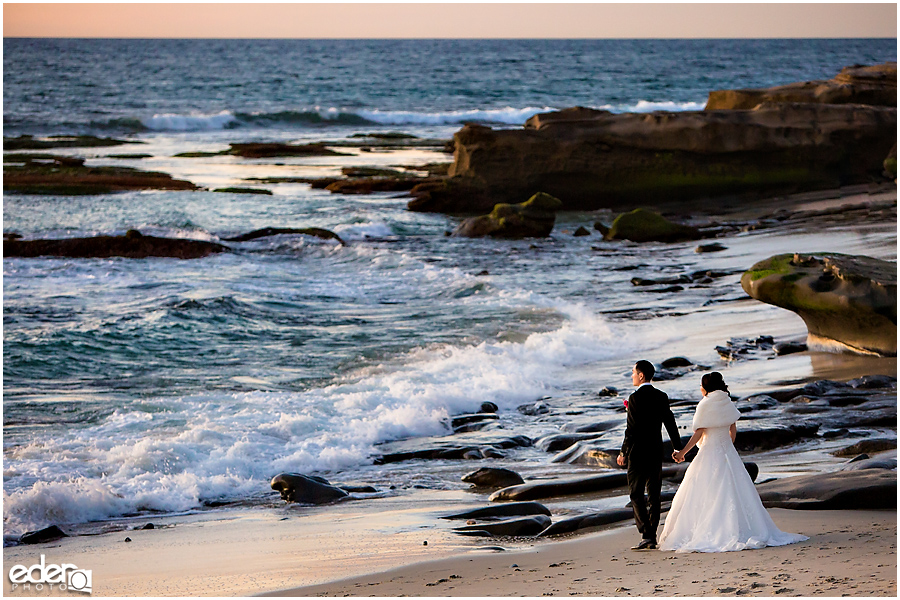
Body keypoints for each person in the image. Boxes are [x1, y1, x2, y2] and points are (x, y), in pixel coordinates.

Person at [658, 372, 808, 552]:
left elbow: (699, 432)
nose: (700, 388)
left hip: (709, 452)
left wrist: (682, 451)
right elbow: (733, 431)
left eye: (701, 385)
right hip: (727, 451)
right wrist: (726, 446)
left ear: (706, 387)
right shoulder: (727, 402)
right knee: (735, 490)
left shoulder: (705, 404)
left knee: (703, 490)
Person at [617, 360, 682, 550]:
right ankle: (651, 534)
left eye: (633, 372)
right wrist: (677, 448)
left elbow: (631, 430)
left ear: (641, 375)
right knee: (654, 494)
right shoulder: (661, 396)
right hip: (655, 450)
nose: (631, 376)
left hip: (637, 452)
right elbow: (670, 422)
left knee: (636, 493)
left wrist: (623, 452)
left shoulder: (635, 399)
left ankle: (646, 534)